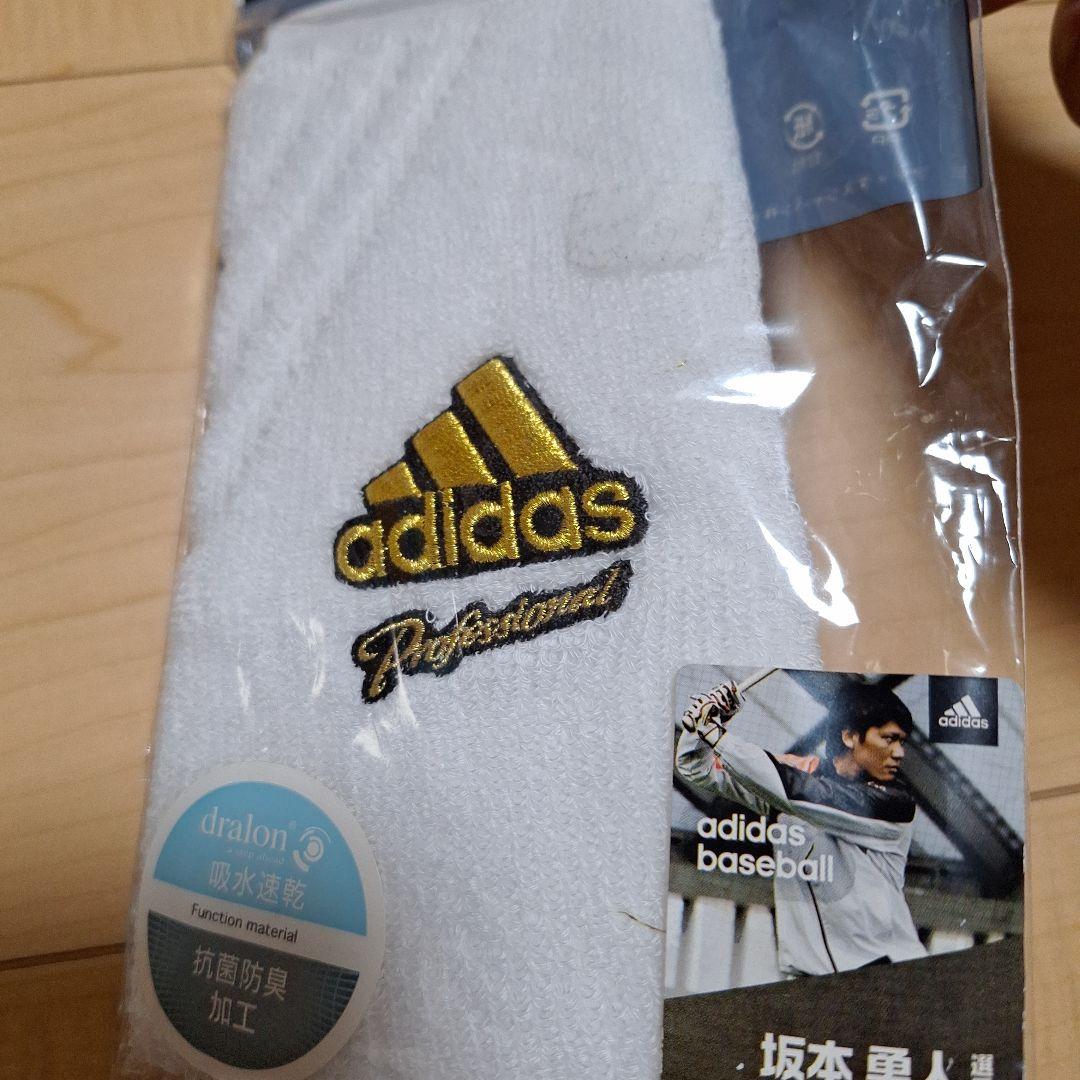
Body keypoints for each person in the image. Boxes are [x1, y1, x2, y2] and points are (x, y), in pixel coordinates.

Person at [676, 680, 926, 977]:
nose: (899, 753)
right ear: (849, 736)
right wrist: (701, 730)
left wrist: (718, 736)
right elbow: (697, 768)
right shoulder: (793, 776)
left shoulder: (896, 803)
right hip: (810, 980)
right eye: (889, 739)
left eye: (902, 742)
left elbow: (801, 795)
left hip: (888, 972)